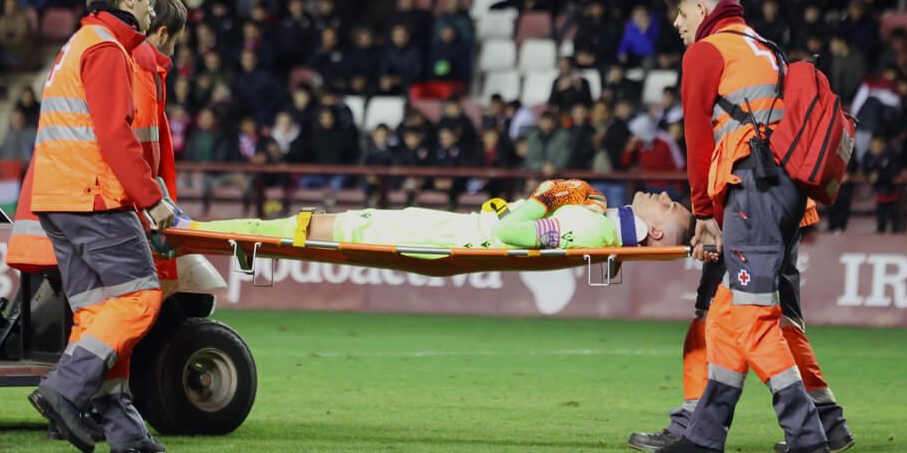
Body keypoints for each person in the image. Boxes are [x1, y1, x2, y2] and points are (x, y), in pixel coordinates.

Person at [652, 0, 837, 453]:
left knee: (753, 317)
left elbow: (696, 135)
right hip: (786, 193)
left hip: (750, 189)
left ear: (700, 7)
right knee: (730, 314)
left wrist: (702, 213)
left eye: (680, 12)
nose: (677, 24)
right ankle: (706, 435)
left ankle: (808, 433)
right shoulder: (765, 47)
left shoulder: (707, 52)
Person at [24, 0, 180, 453]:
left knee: (97, 313)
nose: (153, 8)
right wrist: (152, 200)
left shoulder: (78, 44)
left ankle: (123, 430)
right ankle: (66, 388)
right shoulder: (109, 51)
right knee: (139, 301)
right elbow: (115, 136)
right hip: (93, 196)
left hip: (57, 198)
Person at [182, 180, 692, 251]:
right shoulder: (597, 221)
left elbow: (509, 231)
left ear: (651, 230)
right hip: (447, 229)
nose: (663, 195)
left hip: (443, 234)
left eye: (669, 207)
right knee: (308, 226)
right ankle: (195, 228)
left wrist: (545, 193)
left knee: (307, 227)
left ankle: (194, 230)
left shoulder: (590, 225)